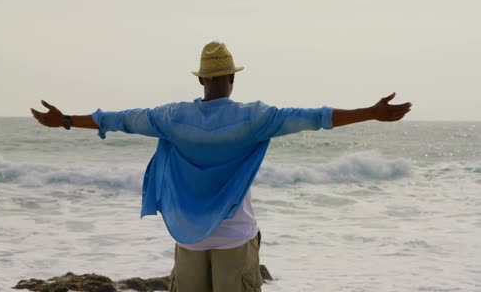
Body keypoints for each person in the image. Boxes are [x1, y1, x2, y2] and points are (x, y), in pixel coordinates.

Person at [31, 41, 412, 292]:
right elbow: (315, 117)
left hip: (189, 238)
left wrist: (64, 120)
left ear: (202, 81)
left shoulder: (171, 117)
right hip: (234, 237)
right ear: (230, 79)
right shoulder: (255, 118)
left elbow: (117, 119)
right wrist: (372, 113)